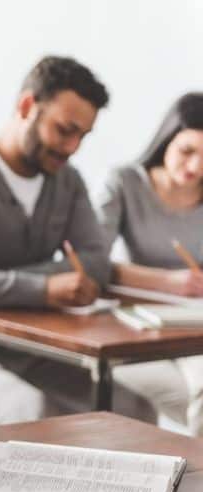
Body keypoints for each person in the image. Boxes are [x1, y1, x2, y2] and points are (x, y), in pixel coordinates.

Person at [0, 56, 128, 425]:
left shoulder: (68, 181)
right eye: (65, 130)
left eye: (82, 136)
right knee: (30, 412)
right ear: (26, 106)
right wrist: (43, 288)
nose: (72, 147)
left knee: (135, 409)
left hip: (36, 346)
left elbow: (96, 261)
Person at [97, 92, 203, 435]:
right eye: (187, 151)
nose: (196, 167)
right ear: (165, 139)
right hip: (140, 316)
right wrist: (170, 282)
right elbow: (91, 262)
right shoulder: (125, 182)